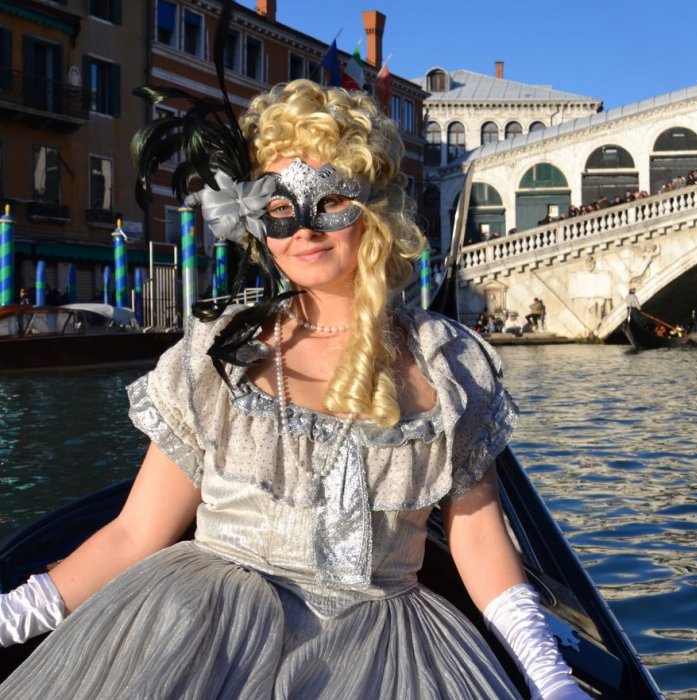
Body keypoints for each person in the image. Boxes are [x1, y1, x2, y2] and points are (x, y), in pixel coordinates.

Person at [0, 78, 588, 700]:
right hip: (202, 634)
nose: (304, 228)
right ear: (256, 220)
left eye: (329, 199)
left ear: (376, 211)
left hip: (384, 650)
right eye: (280, 208)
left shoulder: (449, 363)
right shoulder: (222, 353)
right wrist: (11, 617)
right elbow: (134, 534)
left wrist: (550, 679)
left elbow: (476, 534)